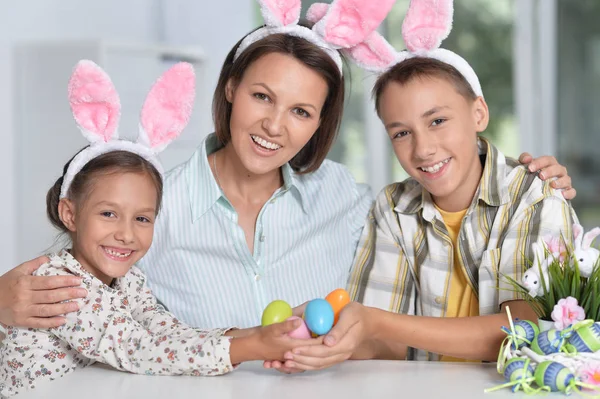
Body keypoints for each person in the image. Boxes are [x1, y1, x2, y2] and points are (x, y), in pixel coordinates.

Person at [0, 0, 574, 339]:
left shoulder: (348, 201)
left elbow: (442, 200)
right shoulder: (154, 208)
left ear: (320, 122)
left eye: (301, 111)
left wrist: (524, 176)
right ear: (231, 89)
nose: (275, 125)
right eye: (262, 97)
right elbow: (70, 282)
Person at [272, 0, 577, 370]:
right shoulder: (394, 207)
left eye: (437, 121)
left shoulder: (535, 197)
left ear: (478, 113)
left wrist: (375, 322)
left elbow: (522, 331)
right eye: (401, 133)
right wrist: (325, 341)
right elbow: (386, 343)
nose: (423, 148)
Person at [0, 61, 317, 397]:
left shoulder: (129, 279)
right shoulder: (63, 285)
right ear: (70, 214)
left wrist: (258, 334)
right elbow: (137, 347)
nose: (126, 234)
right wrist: (251, 347)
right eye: (108, 213)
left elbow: (165, 329)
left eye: (142, 219)